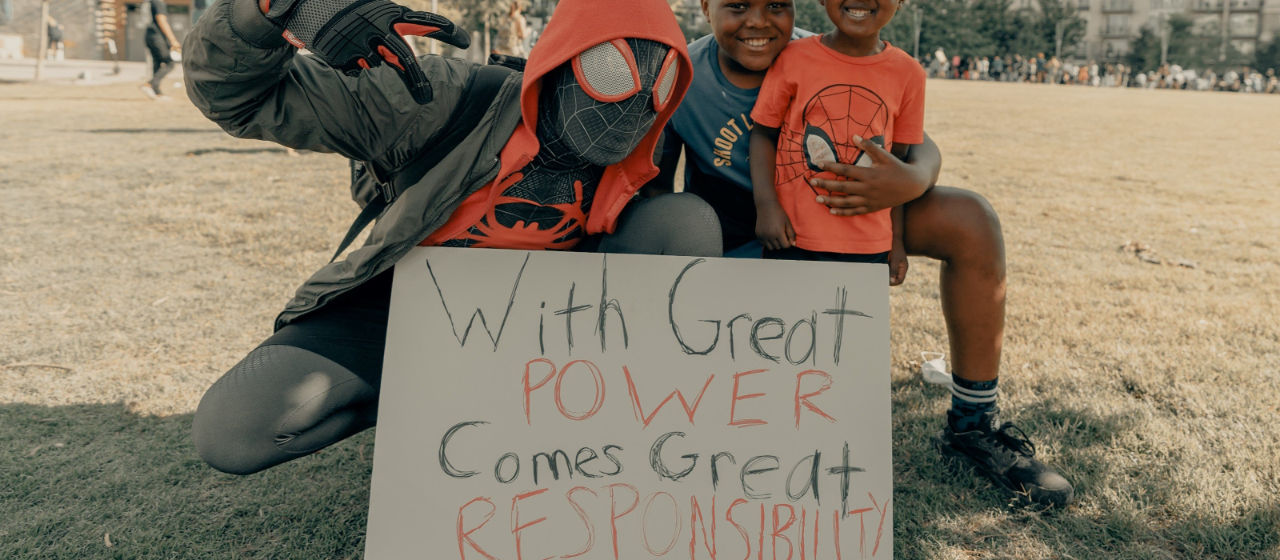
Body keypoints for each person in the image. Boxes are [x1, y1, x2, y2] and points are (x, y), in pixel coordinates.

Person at [184, 0, 718, 475]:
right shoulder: (439, 97)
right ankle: (432, 408)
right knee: (233, 432)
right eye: (610, 71)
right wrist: (273, 11)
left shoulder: (645, 143)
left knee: (685, 219)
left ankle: (598, 428)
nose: (633, 103)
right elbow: (239, 98)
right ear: (561, 61)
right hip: (410, 301)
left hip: (550, 323)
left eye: (662, 83)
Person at [648, 0, 1073, 507]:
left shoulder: (822, 48)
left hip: (845, 206)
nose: (758, 22)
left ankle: (972, 425)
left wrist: (910, 179)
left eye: (776, 6)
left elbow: (915, 142)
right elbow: (654, 191)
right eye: (737, 5)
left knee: (972, 220)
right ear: (705, 7)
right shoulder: (681, 75)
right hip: (744, 225)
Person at [748, 0, 923, 291]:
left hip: (869, 245)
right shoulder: (793, 57)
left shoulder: (910, 74)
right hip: (792, 238)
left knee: (851, 333)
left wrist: (897, 240)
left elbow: (895, 169)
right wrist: (766, 207)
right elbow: (763, 135)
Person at [141, 0, 181, 100]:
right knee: (169, 62)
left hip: (149, 35)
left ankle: (156, 93)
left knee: (157, 63)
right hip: (156, 36)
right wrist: (173, 40)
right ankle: (149, 85)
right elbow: (161, 20)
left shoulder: (149, 2)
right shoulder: (158, 2)